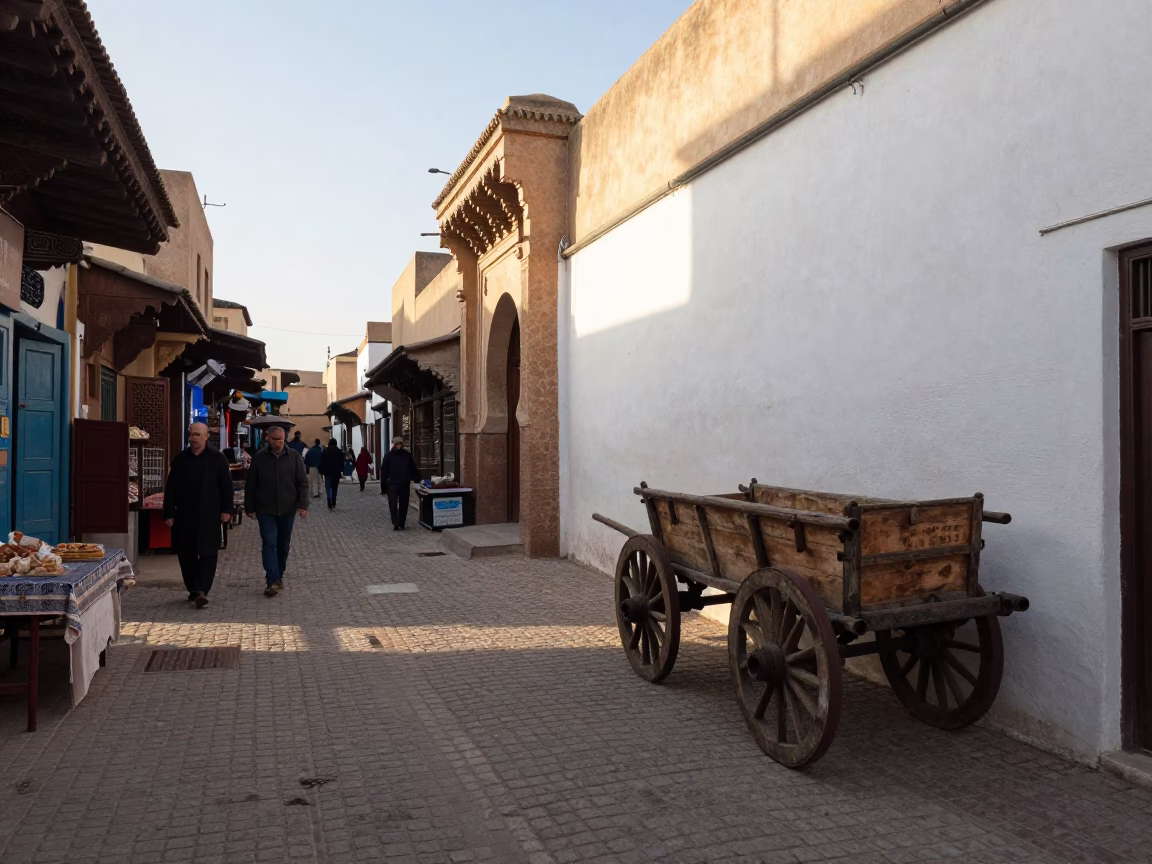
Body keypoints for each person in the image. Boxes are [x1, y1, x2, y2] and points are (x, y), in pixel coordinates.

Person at [162, 422, 233, 608]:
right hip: (185, 516)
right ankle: (193, 588)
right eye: (191, 435)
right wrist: (169, 513)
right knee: (186, 554)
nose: (193, 438)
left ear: (206, 436)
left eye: (197, 435)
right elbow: (171, 489)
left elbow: (226, 487)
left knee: (208, 553)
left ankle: (202, 590)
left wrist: (227, 510)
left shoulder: (218, 459)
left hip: (210, 515)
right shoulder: (180, 460)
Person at [244, 425, 308, 598]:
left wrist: (303, 505)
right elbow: (251, 483)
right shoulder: (260, 458)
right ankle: (271, 579)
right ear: (268, 439)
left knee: (283, 544)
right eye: (275, 439)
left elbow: (302, 482)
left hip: (288, 509)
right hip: (265, 508)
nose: (279, 442)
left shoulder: (294, 457)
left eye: (281, 439)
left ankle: (278, 574)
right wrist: (249, 506)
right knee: (269, 542)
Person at [380, 436, 421, 530]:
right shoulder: (388, 456)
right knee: (393, 504)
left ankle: (401, 522)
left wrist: (418, 479)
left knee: (403, 504)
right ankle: (395, 522)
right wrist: (383, 486)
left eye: (400, 443)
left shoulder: (407, 455)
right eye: (397, 443)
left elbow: (413, 468)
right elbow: (384, 472)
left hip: (404, 483)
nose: (399, 445)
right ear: (394, 444)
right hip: (392, 484)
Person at [319, 438, 345, 510]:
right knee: (334, 487)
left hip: (327, 472)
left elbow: (322, 462)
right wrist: (341, 471)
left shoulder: (325, 451)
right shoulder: (339, 451)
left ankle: (329, 499)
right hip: (336, 472)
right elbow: (341, 462)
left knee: (328, 487)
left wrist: (321, 471)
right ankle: (334, 501)